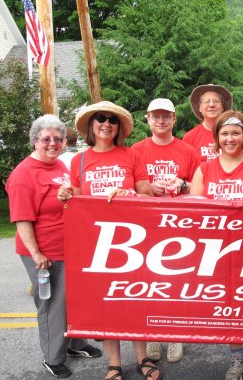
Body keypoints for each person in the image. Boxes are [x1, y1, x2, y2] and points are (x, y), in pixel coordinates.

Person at [57, 101, 159, 380]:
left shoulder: (131, 154)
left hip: (132, 241)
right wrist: (67, 193)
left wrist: (132, 195)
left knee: (134, 299)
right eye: (100, 118)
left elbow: (147, 194)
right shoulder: (78, 160)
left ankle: (142, 358)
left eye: (112, 120)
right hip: (96, 243)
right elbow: (75, 201)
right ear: (90, 126)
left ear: (119, 128)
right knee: (106, 303)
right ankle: (114, 363)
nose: (107, 124)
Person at [5, 115, 102, 379]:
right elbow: (22, 219)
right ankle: (53, 357)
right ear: (35, 141)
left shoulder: (59, 165)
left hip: (69, 246)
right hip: (44, 252)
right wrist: (37, 253)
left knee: (72, 300)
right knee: (52, 306)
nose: (52, 143)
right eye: (46, 139)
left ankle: (75, 343)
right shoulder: (23, 175)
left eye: (57, 139)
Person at [190, 110, 243, 380]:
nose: (230, 138)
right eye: (224, 133)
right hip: (215, 252)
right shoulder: (204, 169)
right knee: (227, 309)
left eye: (235, 133)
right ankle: (238, 359)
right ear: (216, 138)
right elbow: (192, 213)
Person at [131, 98, 200, 363]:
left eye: (166, 116)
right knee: (149, 282)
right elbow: (131, 186)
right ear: (147, 119)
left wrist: (182, 185)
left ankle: (175, 334)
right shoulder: (136, 150)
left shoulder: (188, 150)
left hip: (181, 226)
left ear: (174, 119)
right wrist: (148, 188)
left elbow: (201, 187)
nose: (161, 121)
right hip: (146, 227)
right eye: (155, 116)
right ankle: (151, 334)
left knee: (177, 282)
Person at [183, 84, 233, 162]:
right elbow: (186, 169)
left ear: (223, 107)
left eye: (216, 101)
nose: (211, 105)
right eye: (207, 101)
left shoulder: (234, 134)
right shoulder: (189, 138)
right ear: (200, 108)